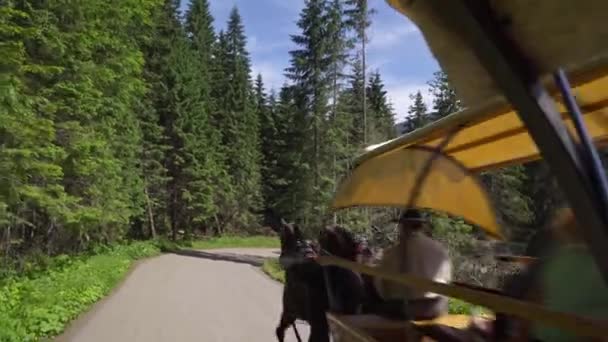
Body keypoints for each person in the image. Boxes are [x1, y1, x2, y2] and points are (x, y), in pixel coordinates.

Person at [372, 208, 452, 320]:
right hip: (435, 308)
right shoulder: (440, 249)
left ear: (403, 226)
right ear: (421, 226)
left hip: (405, 309)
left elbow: (381, 288)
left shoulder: (393, 253)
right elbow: (447, 280)